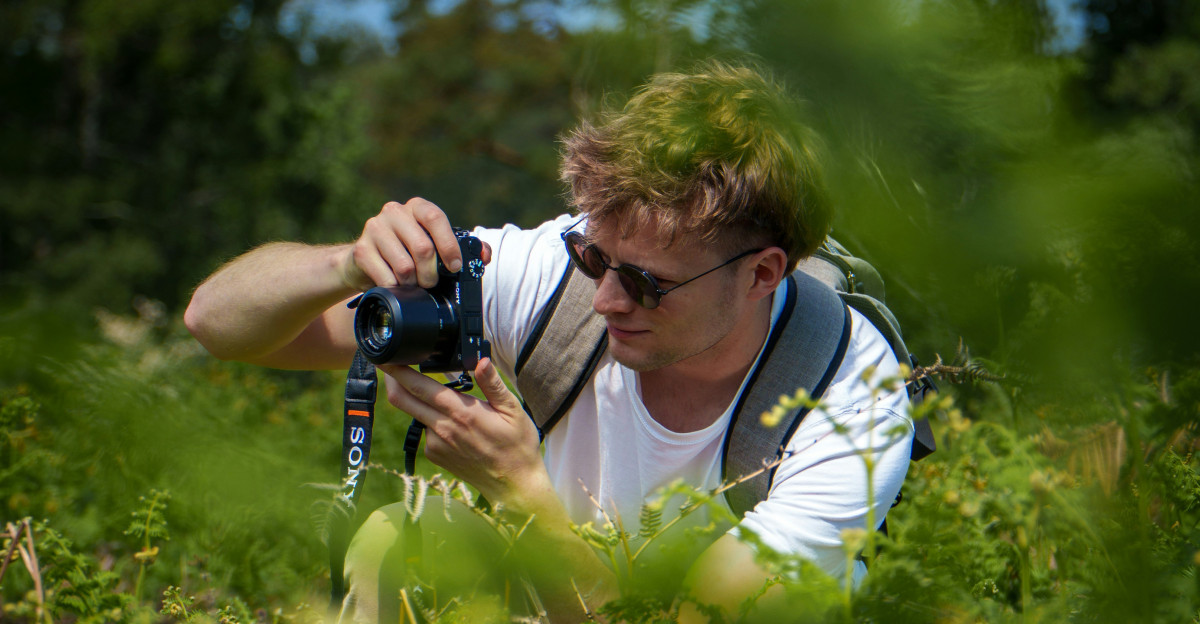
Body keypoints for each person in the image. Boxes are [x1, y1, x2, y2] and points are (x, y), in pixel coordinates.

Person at [184, 61, 915, 623]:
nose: (604, 299)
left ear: (761, 273)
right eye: (595, 259)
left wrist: (523, 495)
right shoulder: (546, 272)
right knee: (403, 536)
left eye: (646, 284)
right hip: (556, 595)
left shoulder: (848, 400)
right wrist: (345, 264)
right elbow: (215, 323)